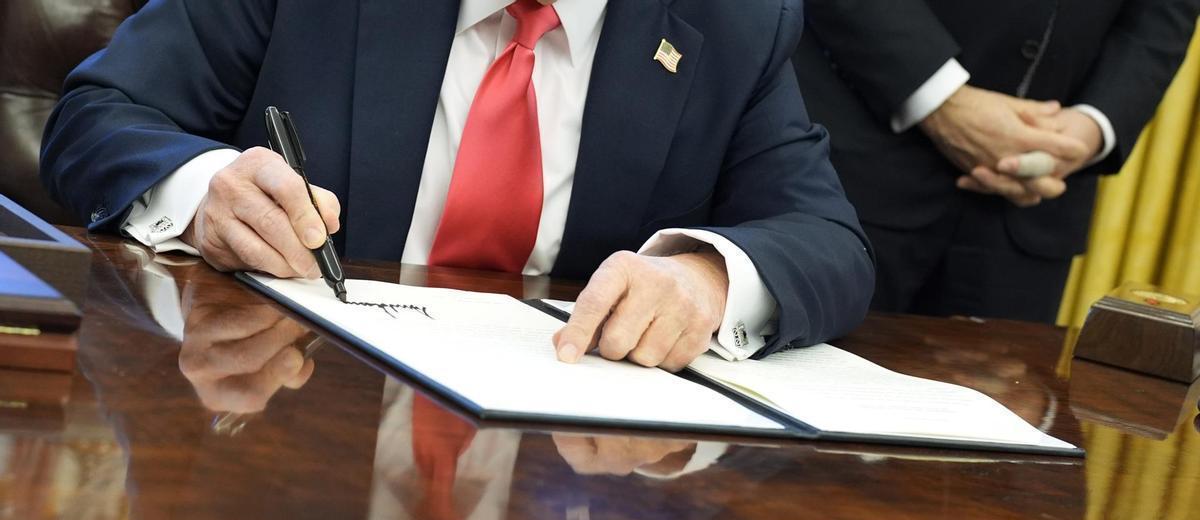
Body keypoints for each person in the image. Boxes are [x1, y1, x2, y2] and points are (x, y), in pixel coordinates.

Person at [40, 0, 875, 370]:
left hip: (571, 453)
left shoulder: (736, 20)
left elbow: (827, 239)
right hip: (285, 385)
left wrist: (705, 277)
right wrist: (207, 187)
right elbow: (98, 116)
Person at [792, 0, 1200, 322]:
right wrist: (943, 102)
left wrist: (1091, 127)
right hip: (852, 170)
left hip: (1032, 213)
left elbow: (1164, 11)